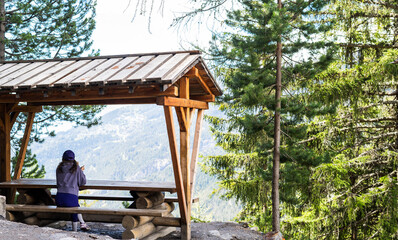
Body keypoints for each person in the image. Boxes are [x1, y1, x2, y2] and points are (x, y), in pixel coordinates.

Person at [55, 150, 90, 231]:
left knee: (75, 206)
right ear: (73, 159)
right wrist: (81, 172)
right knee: (75, 208)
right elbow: (83, 182)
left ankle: (82, 223)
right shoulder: (77, 168)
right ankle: (75, 231)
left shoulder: (59, 168)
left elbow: (58, 183)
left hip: (59, 198)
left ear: (63, 158)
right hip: (70, 197)